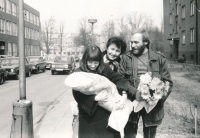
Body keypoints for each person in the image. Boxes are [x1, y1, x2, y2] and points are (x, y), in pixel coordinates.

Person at [117, 29, 173, 138]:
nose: (132, 45)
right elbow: (120, 80)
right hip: (131, 102)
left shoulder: (159, 59)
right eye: (131, 42)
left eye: (136, 42)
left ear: (146, 42)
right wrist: (134, 93)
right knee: (129, 135)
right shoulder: (125, 58)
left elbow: (168, 83)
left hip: (152, 106)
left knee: (150, 135)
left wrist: (157, 98)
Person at [72, 45, 132, 138]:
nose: (93, 65)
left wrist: (124, 93)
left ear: (100, 61)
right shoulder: (78, 72)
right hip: (87, 115)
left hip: (104, 114)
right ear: (85, 60)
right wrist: (94, 98)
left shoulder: (105, 68)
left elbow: (120, 80)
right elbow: (76, 95)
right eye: (90, 62)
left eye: (96, 62)